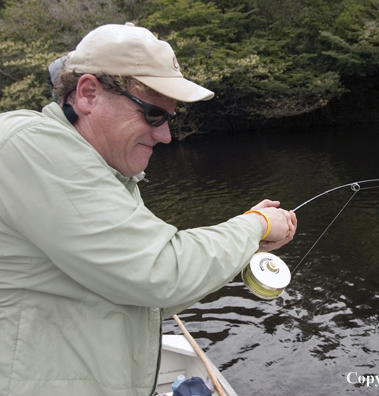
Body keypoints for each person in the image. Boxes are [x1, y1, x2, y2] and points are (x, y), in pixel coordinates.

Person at [0, 23, 297, 396]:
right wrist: (252, 226)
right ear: (89, 93)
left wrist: (247, 245)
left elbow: (154, 293)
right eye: (154, 115)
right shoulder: (30, 145)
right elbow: (159, 271)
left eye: (169, 119)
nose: (165, 135)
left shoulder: (109, 170)